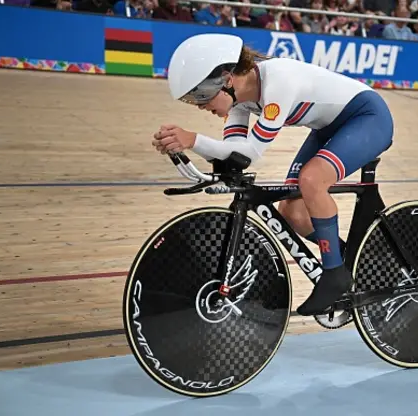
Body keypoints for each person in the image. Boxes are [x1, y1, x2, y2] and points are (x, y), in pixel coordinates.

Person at [153, 34, 394, 316]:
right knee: (293, 213)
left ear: (226, 79)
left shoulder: (278, 82)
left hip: (367, 118)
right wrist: (184, 146)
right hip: (330, 128)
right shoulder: (240, 102)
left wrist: (193, 140)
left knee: (312, 180)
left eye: (201, 95)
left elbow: (250, 152)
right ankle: (356, 263)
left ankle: (334, 275)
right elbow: (233, 155)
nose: (200, 106)